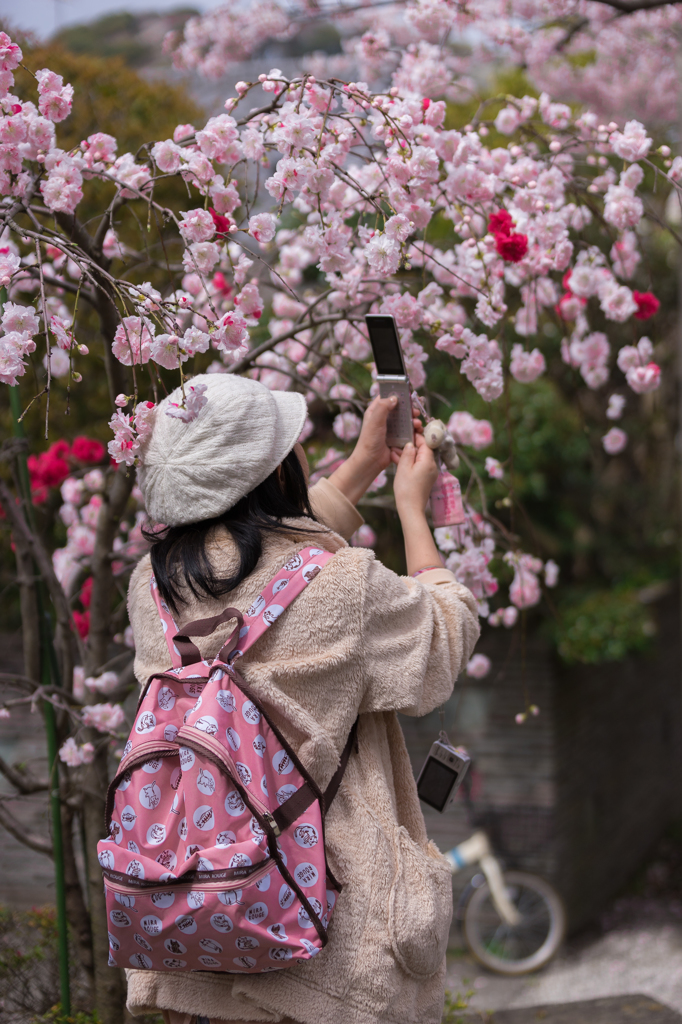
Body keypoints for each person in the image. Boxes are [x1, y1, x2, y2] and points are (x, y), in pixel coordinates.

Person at [125, 373, 480, 1024]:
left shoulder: (152, 587)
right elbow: (444, 636)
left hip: (194, 923)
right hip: (318, 937)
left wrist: (365, 464)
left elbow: (260, 560)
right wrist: (409, 507)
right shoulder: (341, 586)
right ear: (277, 469)